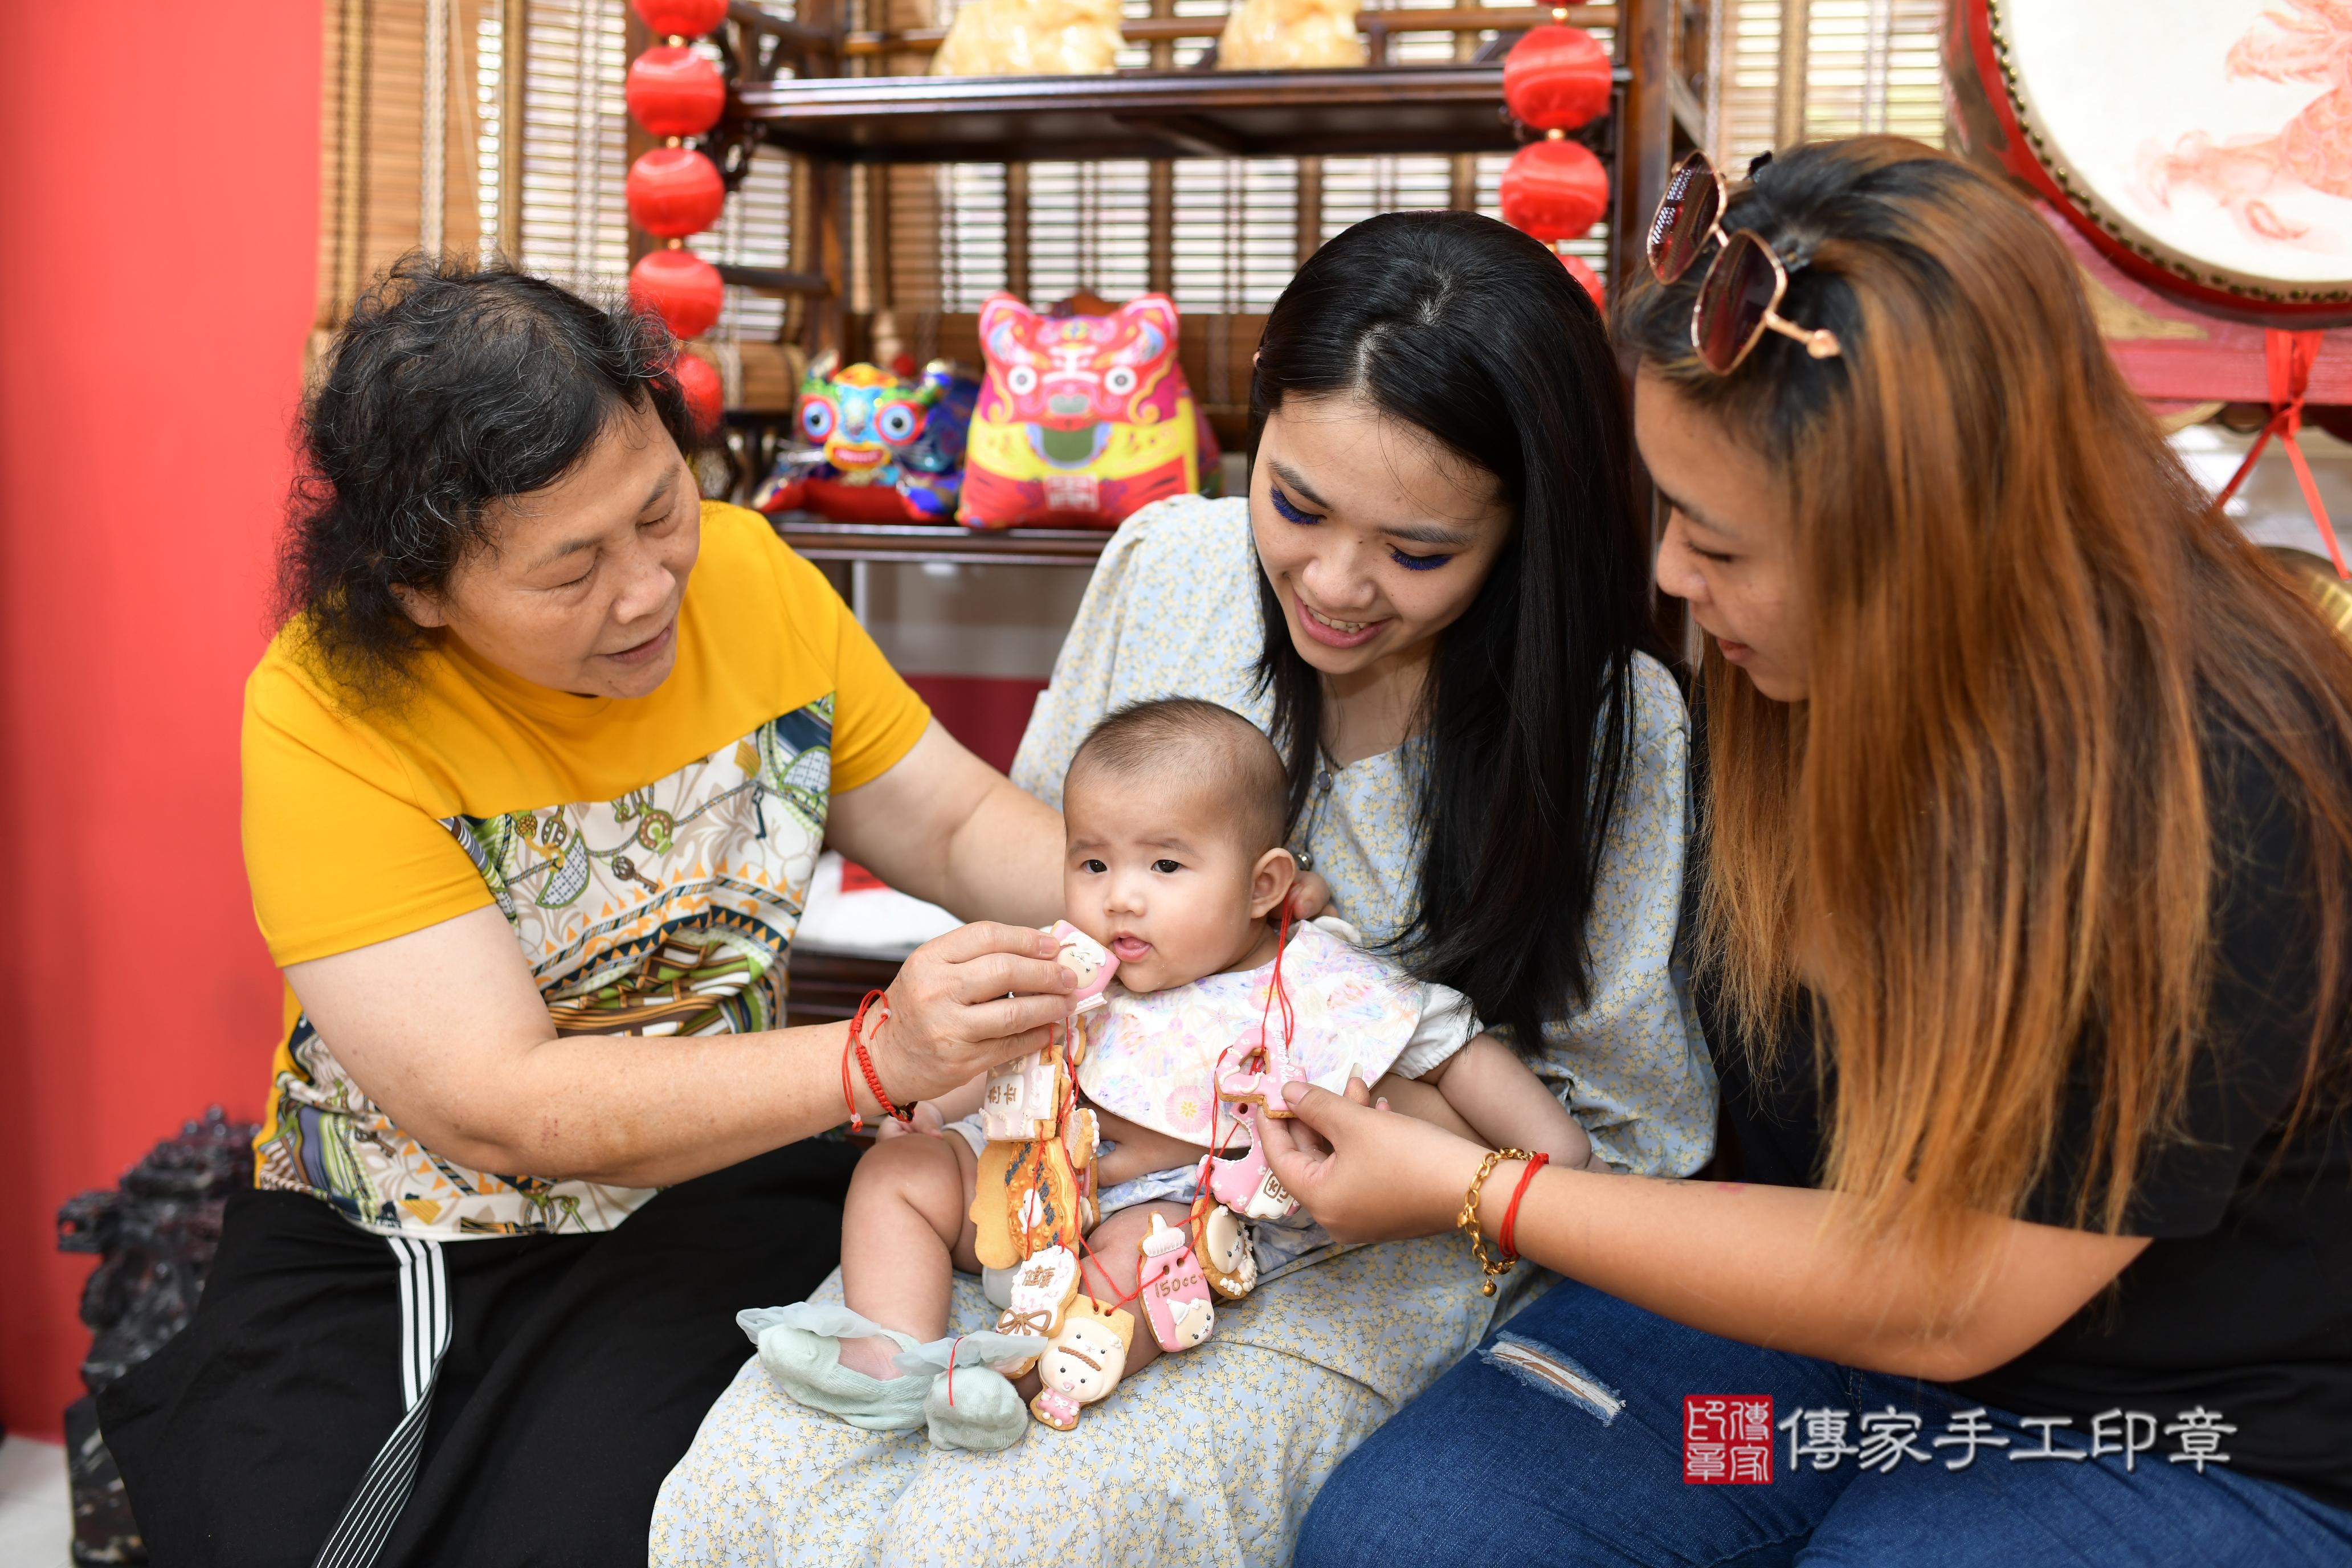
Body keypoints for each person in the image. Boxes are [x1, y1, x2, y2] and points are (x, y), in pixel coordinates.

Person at [1275, 138, 2352, 1567]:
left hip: (2141, 1414)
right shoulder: (1789, 673)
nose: (1669, 578)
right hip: (1804, 1326)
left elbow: (1949, 1291)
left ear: (1918, 548)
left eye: (1718, 541)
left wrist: (1478, 1189)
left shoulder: (2224, 790)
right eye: (1668, 515)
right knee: (1415, 1536)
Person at [651, 209, 1714, 1563]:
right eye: (1298, 501)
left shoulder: (1612, 722)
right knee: (727, 1509)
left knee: (996, 1539)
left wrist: (1415, 1134)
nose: (1334, 583)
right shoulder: (1171, 567)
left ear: (1524, 524)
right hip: (1052, 1178)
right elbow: (1054, 893)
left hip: (1365, 1253)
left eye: (1420, 551)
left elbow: (1632, 1137)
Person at [93, 258, 1085, 1568]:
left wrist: (1165, 897)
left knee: (651, 1513)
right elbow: (500, 1100)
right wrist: (875, 1056)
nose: (648, 587)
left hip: (716, 1170)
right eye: (571, 573)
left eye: (659, 508)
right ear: (420, 591)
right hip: (422, 1226)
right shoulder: (329, 705)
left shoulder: (748, 573)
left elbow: (954, 825)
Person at [757, 697, 1597, 1451]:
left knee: (1141, 1269)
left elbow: (1492, 1087)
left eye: (1164, 867)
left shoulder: (1320, 984)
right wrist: (928, 1112)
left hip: (1173, 1211)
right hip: (1019, 1187)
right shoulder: (1072, 968)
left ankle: (1005, 1380)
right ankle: (895, 1357)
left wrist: (1533, 1168)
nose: (1120, 898)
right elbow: (1004, 1058)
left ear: (1265, 883)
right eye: (1093, 864)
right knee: (895, 1174)